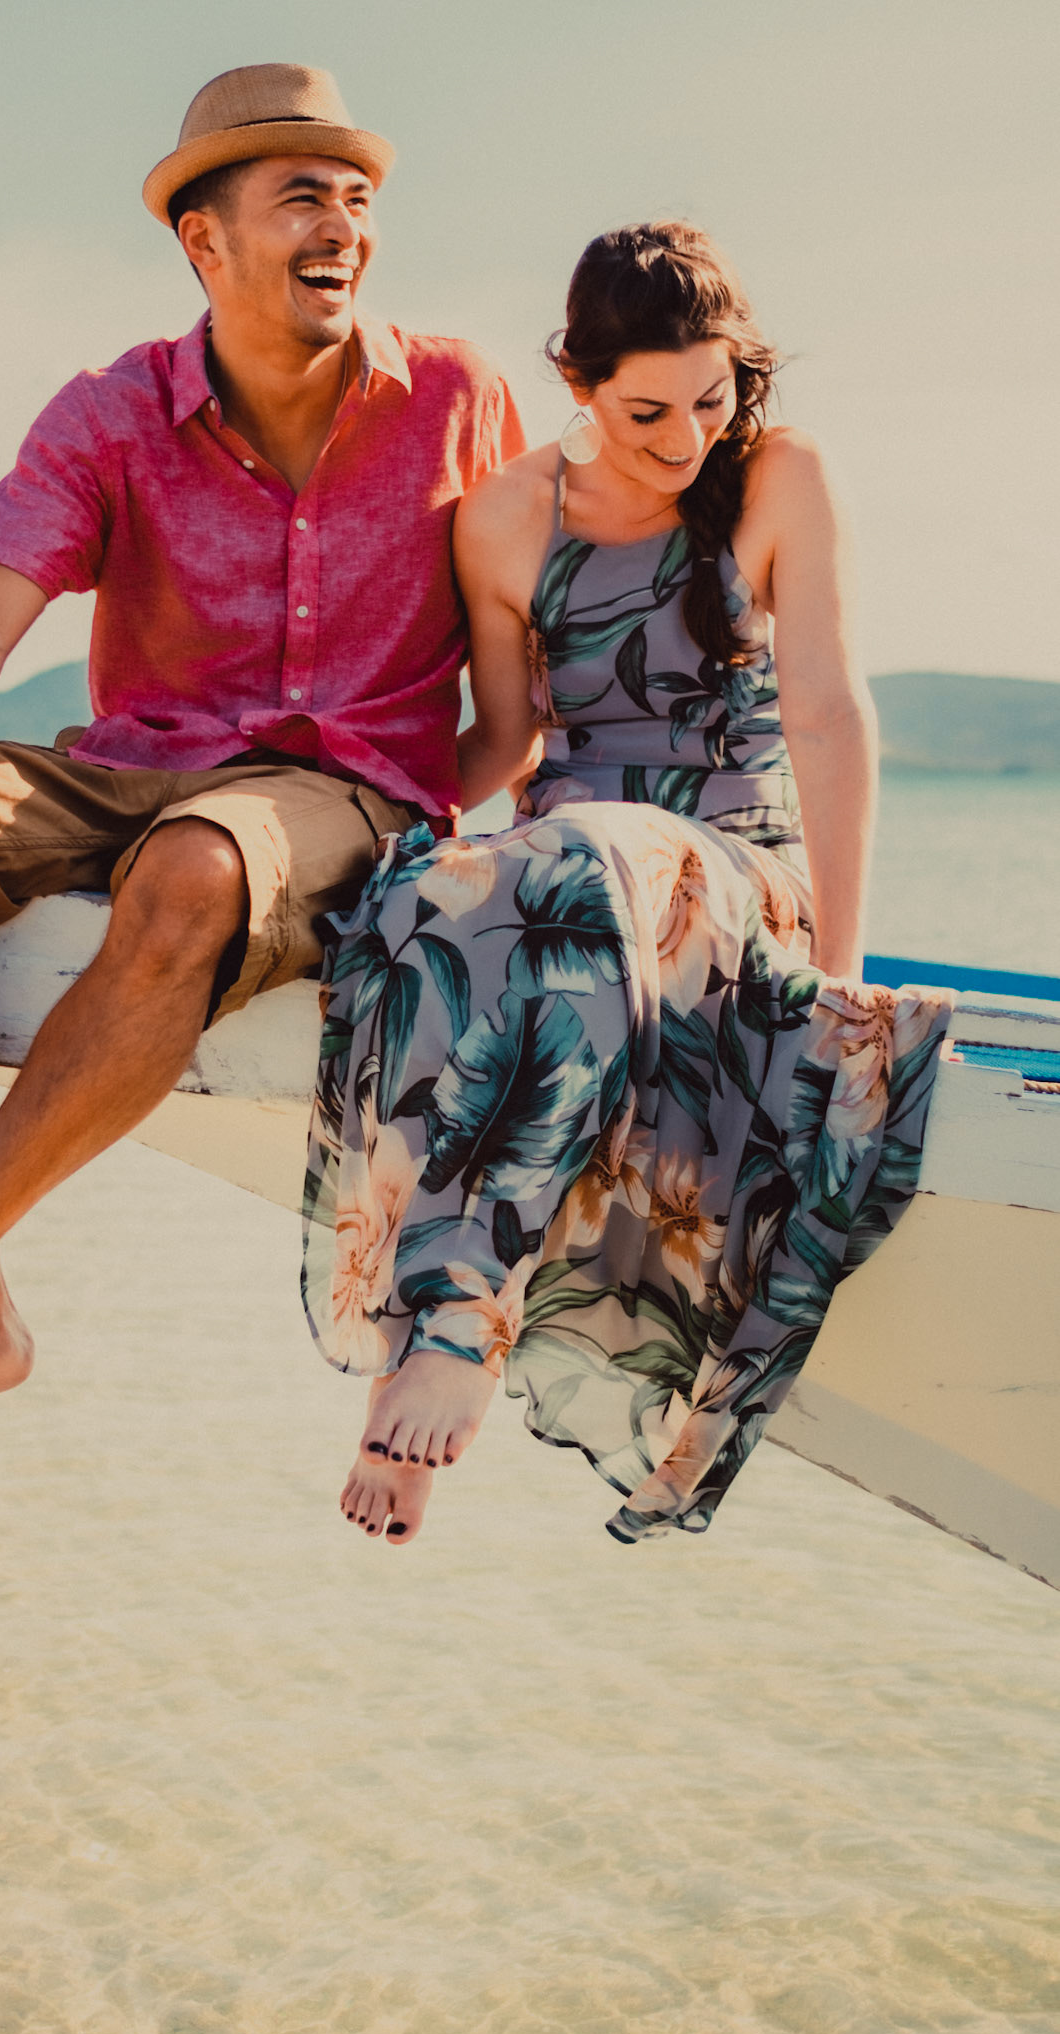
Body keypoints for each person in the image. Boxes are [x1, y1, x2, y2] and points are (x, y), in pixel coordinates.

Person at [0, 64, 524, 1442]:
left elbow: (533, 652)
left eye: (356, 198)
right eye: (302, 198)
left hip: (343, 789)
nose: (342, 225)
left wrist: (477, 813)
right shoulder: (109, 411)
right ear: (204, 239)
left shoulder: (458, 395)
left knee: (193, 869)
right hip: (130, 764)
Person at [304, 221, 951, 1547]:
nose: (685, 438)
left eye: (709, 400)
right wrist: (363, 822)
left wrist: (838, 969)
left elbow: (829, 716)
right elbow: (504, 745)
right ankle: (420, 1335)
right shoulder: (502, 518)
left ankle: (460, 1323)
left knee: (597, 856)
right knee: (426, 899)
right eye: (647, 411)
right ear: (578, 383)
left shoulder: (779, 476)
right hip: (579, 877)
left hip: (738, 876)